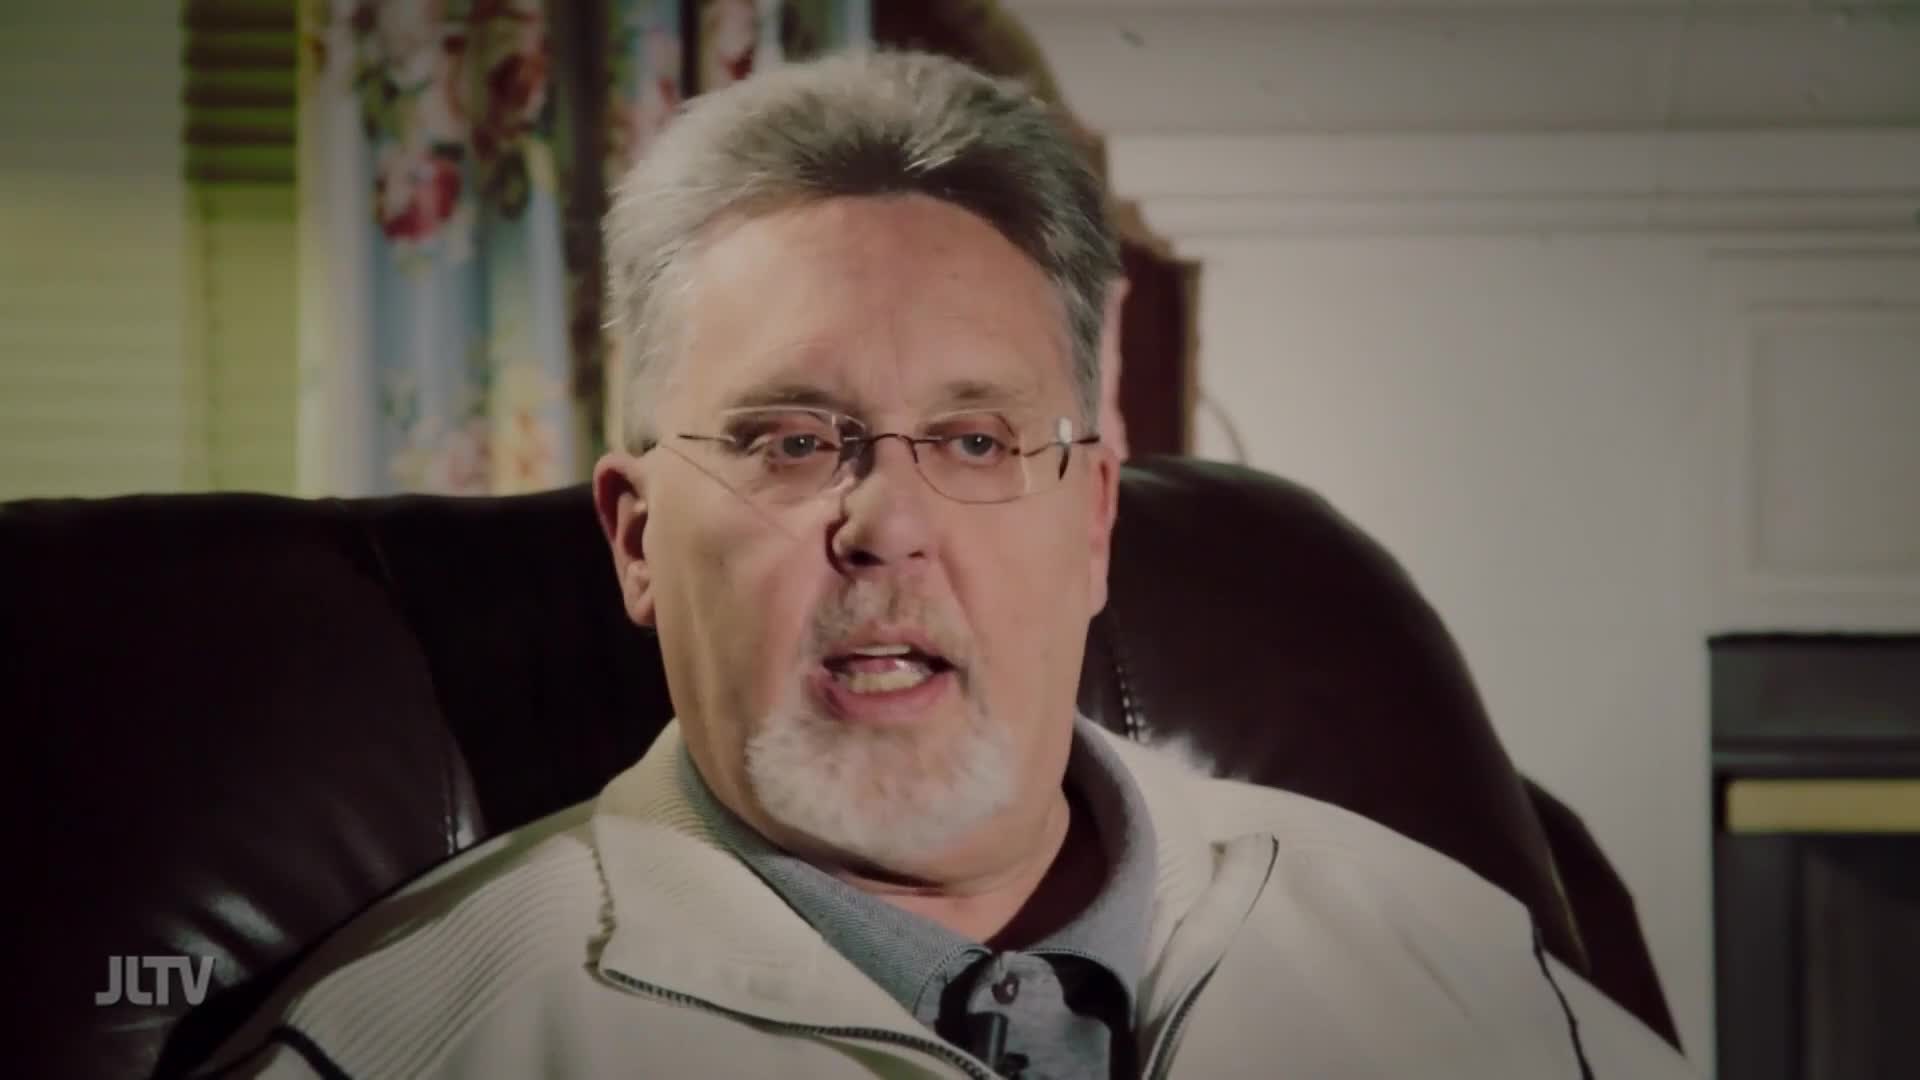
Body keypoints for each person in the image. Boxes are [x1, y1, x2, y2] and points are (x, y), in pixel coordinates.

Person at [200, 50, 1694, 1079]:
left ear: (1095, 520)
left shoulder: (1446, 959)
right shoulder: (403, 1046)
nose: (887, 523)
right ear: (639, 537)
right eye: (792, 440)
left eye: (976, 443)